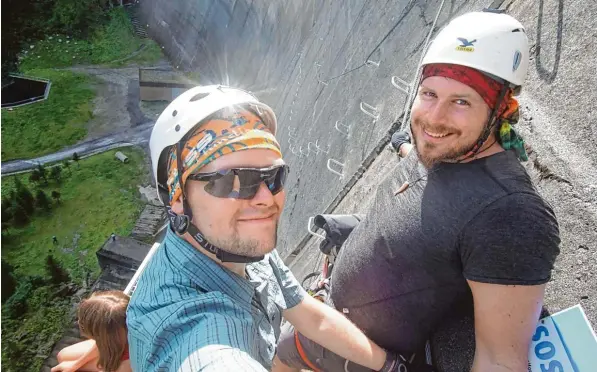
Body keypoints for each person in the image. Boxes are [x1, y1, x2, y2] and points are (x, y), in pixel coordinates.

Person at [276, 10, 561, 372]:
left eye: (461, 101)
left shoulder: (509, 215)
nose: (434, 118)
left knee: (282, 353)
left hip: (362, 350)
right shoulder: (443, 148)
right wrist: (403, 147)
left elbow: (501, 361)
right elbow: (434, 180)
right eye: (429, 93)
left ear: (501, 109)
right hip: (334, 304)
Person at [126, 85, 406, 371]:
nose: (265, 198)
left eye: (274, 176)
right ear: (177, 197)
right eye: (233, 180)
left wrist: (391, 365)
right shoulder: (190, 328)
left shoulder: (239, 244)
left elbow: (313, 318)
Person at [51, 291, 131, 372]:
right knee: (63, 355)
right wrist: (74, 365)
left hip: (123, 360)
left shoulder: (128, 364)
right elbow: (103, 343)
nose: (79, 322)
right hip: (118, 347)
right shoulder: (122, 329)